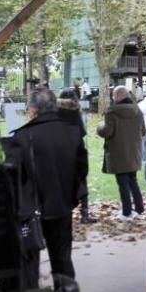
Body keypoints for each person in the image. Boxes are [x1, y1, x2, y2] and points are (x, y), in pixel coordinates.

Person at [3, 88, 87, 287]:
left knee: (29, 261)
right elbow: (82, 169)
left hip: (31, 209)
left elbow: (13, 176)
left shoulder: (22, 137)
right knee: (63, 259)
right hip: (63, 204)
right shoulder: (73, 132)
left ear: (32, 110)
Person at [98, 85, 146, 220]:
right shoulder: (138, 111)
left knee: (123, 183)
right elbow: (143, 131)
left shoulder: (112, 113)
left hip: (118, 153)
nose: (113, 97)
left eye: (114, 94)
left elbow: (107, 132)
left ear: (119, 96)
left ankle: (126, 213)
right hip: (133, 152)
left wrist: (99, 127)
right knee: (133, 181)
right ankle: (140, 210)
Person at [58, 89, 97, 224]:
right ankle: (84, 213)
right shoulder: (75, 113)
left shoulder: (54, 113)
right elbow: (81, 132)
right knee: (81, 181)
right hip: (76, 150)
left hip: (60, 151)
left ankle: (63, 213)